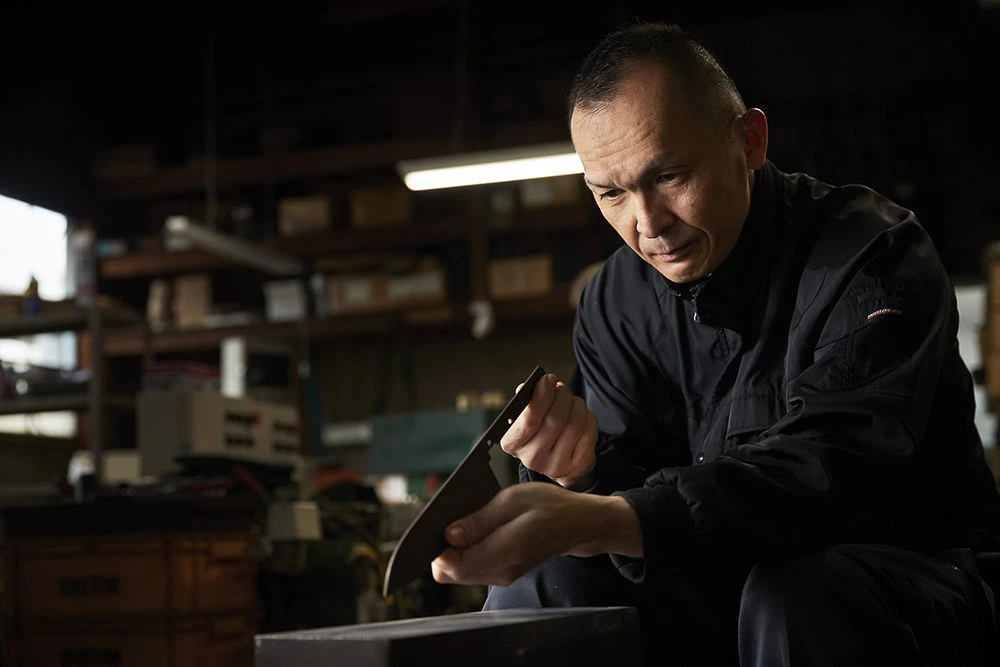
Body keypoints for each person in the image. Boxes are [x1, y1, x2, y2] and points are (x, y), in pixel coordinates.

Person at [430, 20, 1000, 666]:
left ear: (749, 141)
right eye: (611, 193)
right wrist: (581, 474)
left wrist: (611, 517)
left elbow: (835, 469)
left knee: (795, 593)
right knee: (547, 581)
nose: (647, 224)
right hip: (722, 586)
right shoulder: (617, 299)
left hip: (908, 582)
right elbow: (632, 495)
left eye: (671, 176)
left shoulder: (870, 253)